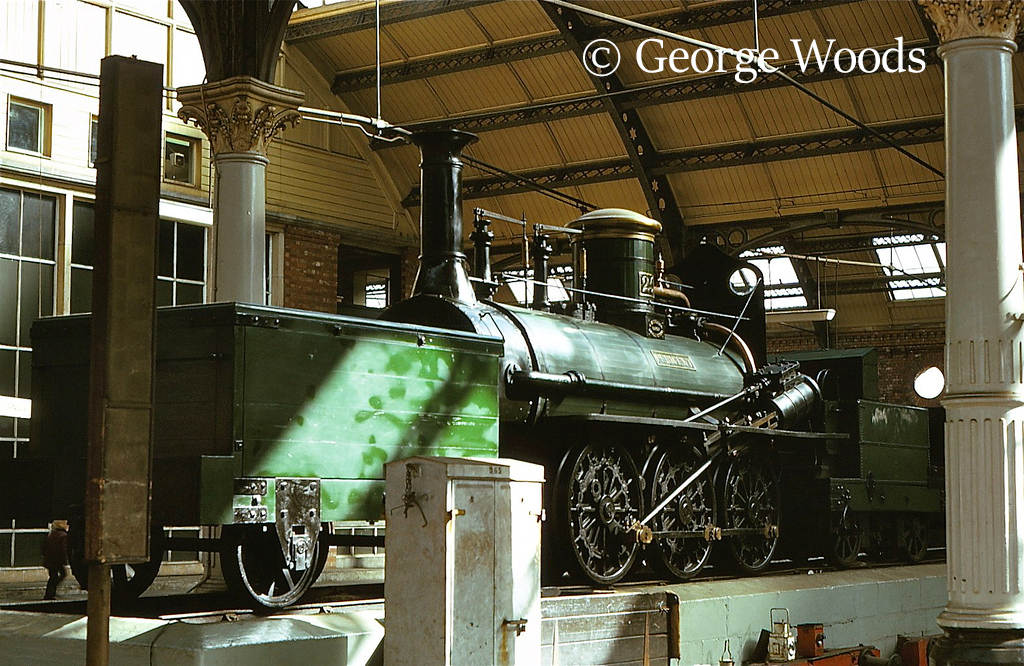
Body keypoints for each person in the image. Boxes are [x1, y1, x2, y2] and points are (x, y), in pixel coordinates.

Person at [42, 520, 68, 600]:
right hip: (57, 559)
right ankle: (50, 592)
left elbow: (44, 546)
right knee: (61, 574)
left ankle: (50, 592)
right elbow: (63, 549)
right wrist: (65, 560)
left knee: (53, 576)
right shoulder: (63, 535)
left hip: (50, 559)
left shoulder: (51, 534)